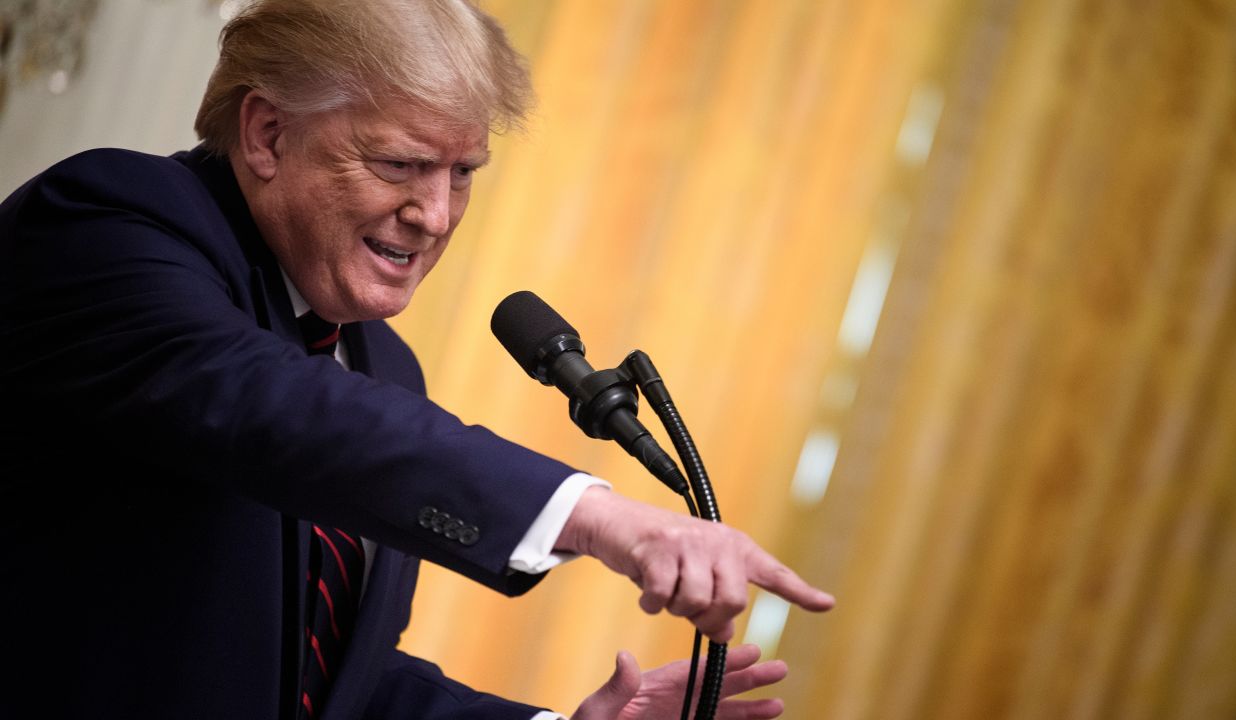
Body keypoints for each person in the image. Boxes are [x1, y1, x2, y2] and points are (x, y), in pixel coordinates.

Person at [0, 1, 833, 718]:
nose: (434, 215)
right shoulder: (106, 225)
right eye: (399, 164)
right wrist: (590, 513)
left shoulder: (384, 369)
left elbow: (322, 680)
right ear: (266, 132)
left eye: (462, 172)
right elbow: (269, 406)